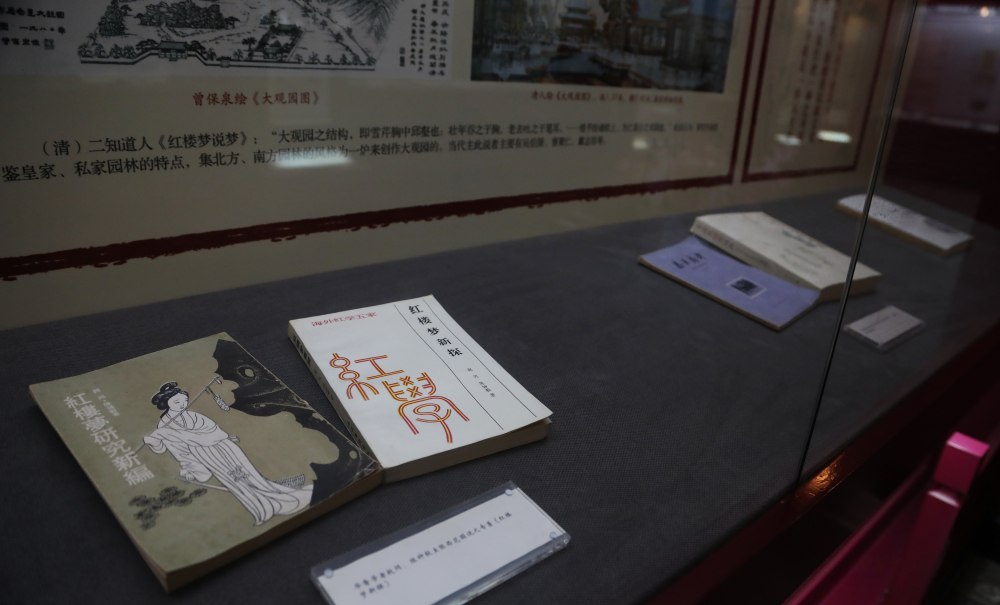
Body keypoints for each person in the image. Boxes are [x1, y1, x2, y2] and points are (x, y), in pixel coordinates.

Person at [143, 382, 313, 526]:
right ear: (167, 404)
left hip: (226, 447)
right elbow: (179, 450)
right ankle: (263, 507)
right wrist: (188, 468)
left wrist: (198, 437)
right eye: (177, 401)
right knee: (236, 482)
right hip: (207, 455)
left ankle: (279, 497)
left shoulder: (194, 416)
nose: (182, 404)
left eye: (184, 401)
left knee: (250, 475)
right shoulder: (164, 427)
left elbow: (215, 431)